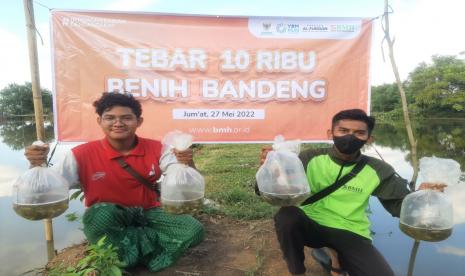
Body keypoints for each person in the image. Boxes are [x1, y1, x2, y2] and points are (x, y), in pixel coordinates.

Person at [25, 92, 204, 272]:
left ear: (139, 121)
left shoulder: (157, 148)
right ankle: (145, 249)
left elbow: (182, 178)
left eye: (126, 118)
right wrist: (36, 165)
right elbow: (47, 187)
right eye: (110, 118)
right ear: (99, 121)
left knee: (193, 229)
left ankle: (133, 247)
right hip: (109, 215)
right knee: (99, 216)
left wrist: (185, 160)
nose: (118, 123)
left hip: (149, 211)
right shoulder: (80, 154)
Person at [258, 109, 446, 276]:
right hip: (311, 224)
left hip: (351, 231)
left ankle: (337, 257)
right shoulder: (308, 158)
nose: (350, 137)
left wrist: (422, 198)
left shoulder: (379, 169)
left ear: (369, 139)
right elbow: (269, 192)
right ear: (331, 133)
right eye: (344, 131)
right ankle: (297, 271)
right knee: (286, 216)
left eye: (359, 133)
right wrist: (273, 170)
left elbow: (399, 206)